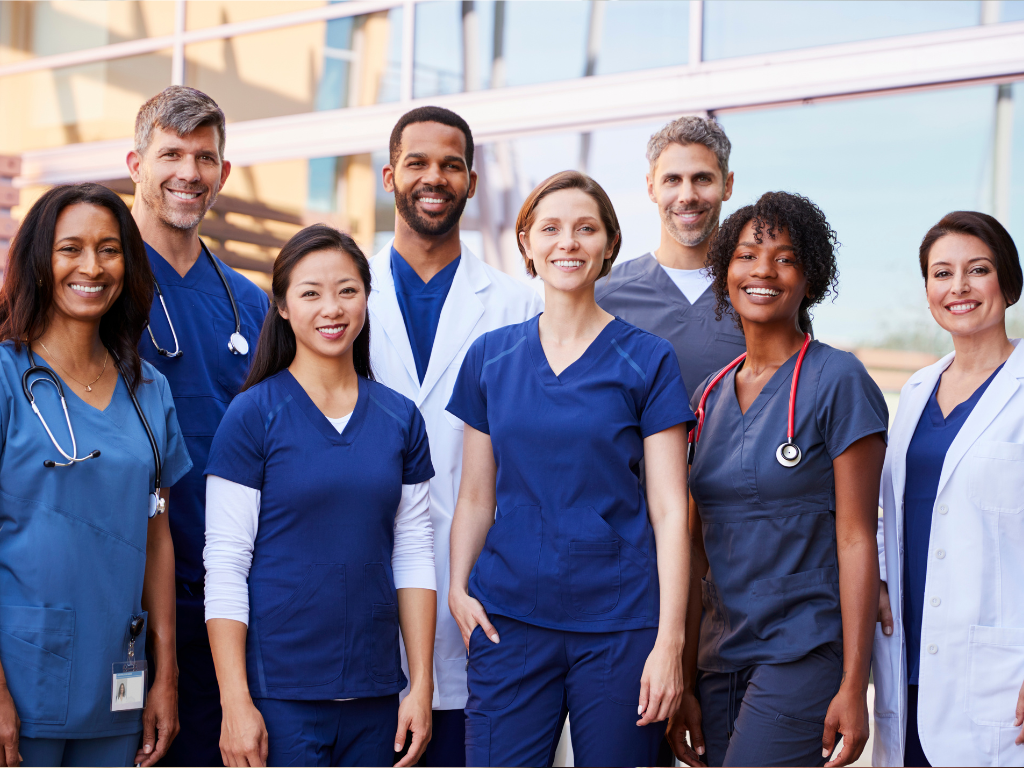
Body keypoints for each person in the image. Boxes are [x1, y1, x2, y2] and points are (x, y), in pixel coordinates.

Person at [447, 170, 694, 767]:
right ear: (526, 243)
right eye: (551, 229)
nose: (568, 243)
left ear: (609, 243)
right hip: (510, 621)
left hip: (620, 626)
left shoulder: (648, 359)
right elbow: (477, 497)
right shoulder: (491, 357)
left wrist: (670, 642)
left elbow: (669, 510)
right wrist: (458, 588)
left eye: (586, 229)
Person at [204, 225, 437, 768]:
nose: (331, 308)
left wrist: (420, 687)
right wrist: (235, 701)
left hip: (377, 696)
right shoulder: (252, 415)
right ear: (282, 306)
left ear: (366, 297)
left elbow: (414, 555)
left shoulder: (401, 418)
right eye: (310, 293)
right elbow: (226, 565)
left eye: (347, 290)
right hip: (279, 696)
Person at [670, 192, 888, 767]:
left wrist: (854, 682)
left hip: (802, 648)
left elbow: (857, 537)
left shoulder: (838, 380)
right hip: (721, 655)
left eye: (785, 258)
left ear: (809, 281)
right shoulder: (709, 396)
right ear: (725, 275)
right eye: (747, 255)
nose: (763, 270)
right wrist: (686, 677)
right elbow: (695, 551)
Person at [368, 105, 543, 766]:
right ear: (390, 175)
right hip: (360, 596)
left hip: (484, 604)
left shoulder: (519, 307)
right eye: (417, 162)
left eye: (451, 165)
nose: (433, 177)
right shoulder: (341, 295)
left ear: (472, 182)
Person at [0, 184, 192, 766]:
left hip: (119, 671)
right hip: (22, 672)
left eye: (109, 249)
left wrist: (167, 674)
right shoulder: (8, 378)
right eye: (70, 249)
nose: (92, 266)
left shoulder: (148, 390)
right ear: (39, 261)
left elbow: (157, 532)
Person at [127, 86, 270, 767]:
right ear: (135, 163)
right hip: (128, 586)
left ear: (224, 173)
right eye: (171, 154)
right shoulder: (100, 282)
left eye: (205, 157)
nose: (189, 171)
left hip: (230, 594)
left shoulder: (251, 301)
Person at [872, 212, 1024, 767]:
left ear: (1008, 282)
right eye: (942, 274)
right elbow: (889, 510)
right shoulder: (914, 392)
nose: (958, 287)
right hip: (909, 658)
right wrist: (881, 580)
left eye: (976, 270)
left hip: (999, 675)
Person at [596, 115, 745, 397]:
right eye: (672, 180)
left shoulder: (760, 293)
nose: (687, 195)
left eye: (702, 178)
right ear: (652, 187)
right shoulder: (603, 298)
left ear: (727, 185)